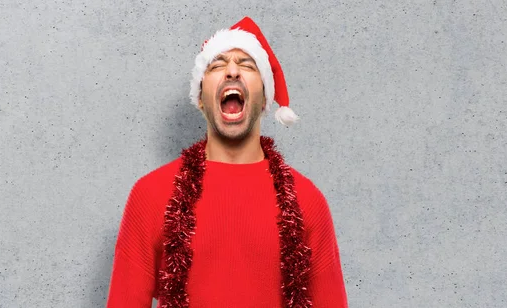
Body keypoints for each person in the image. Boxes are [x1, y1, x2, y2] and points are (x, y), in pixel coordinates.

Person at [106, 17, 347, 308]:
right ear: (200, 99)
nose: (232, 71)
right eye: (217, 65)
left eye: (247, 65)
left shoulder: (308, 201)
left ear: (264, 98)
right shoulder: (151, 196)